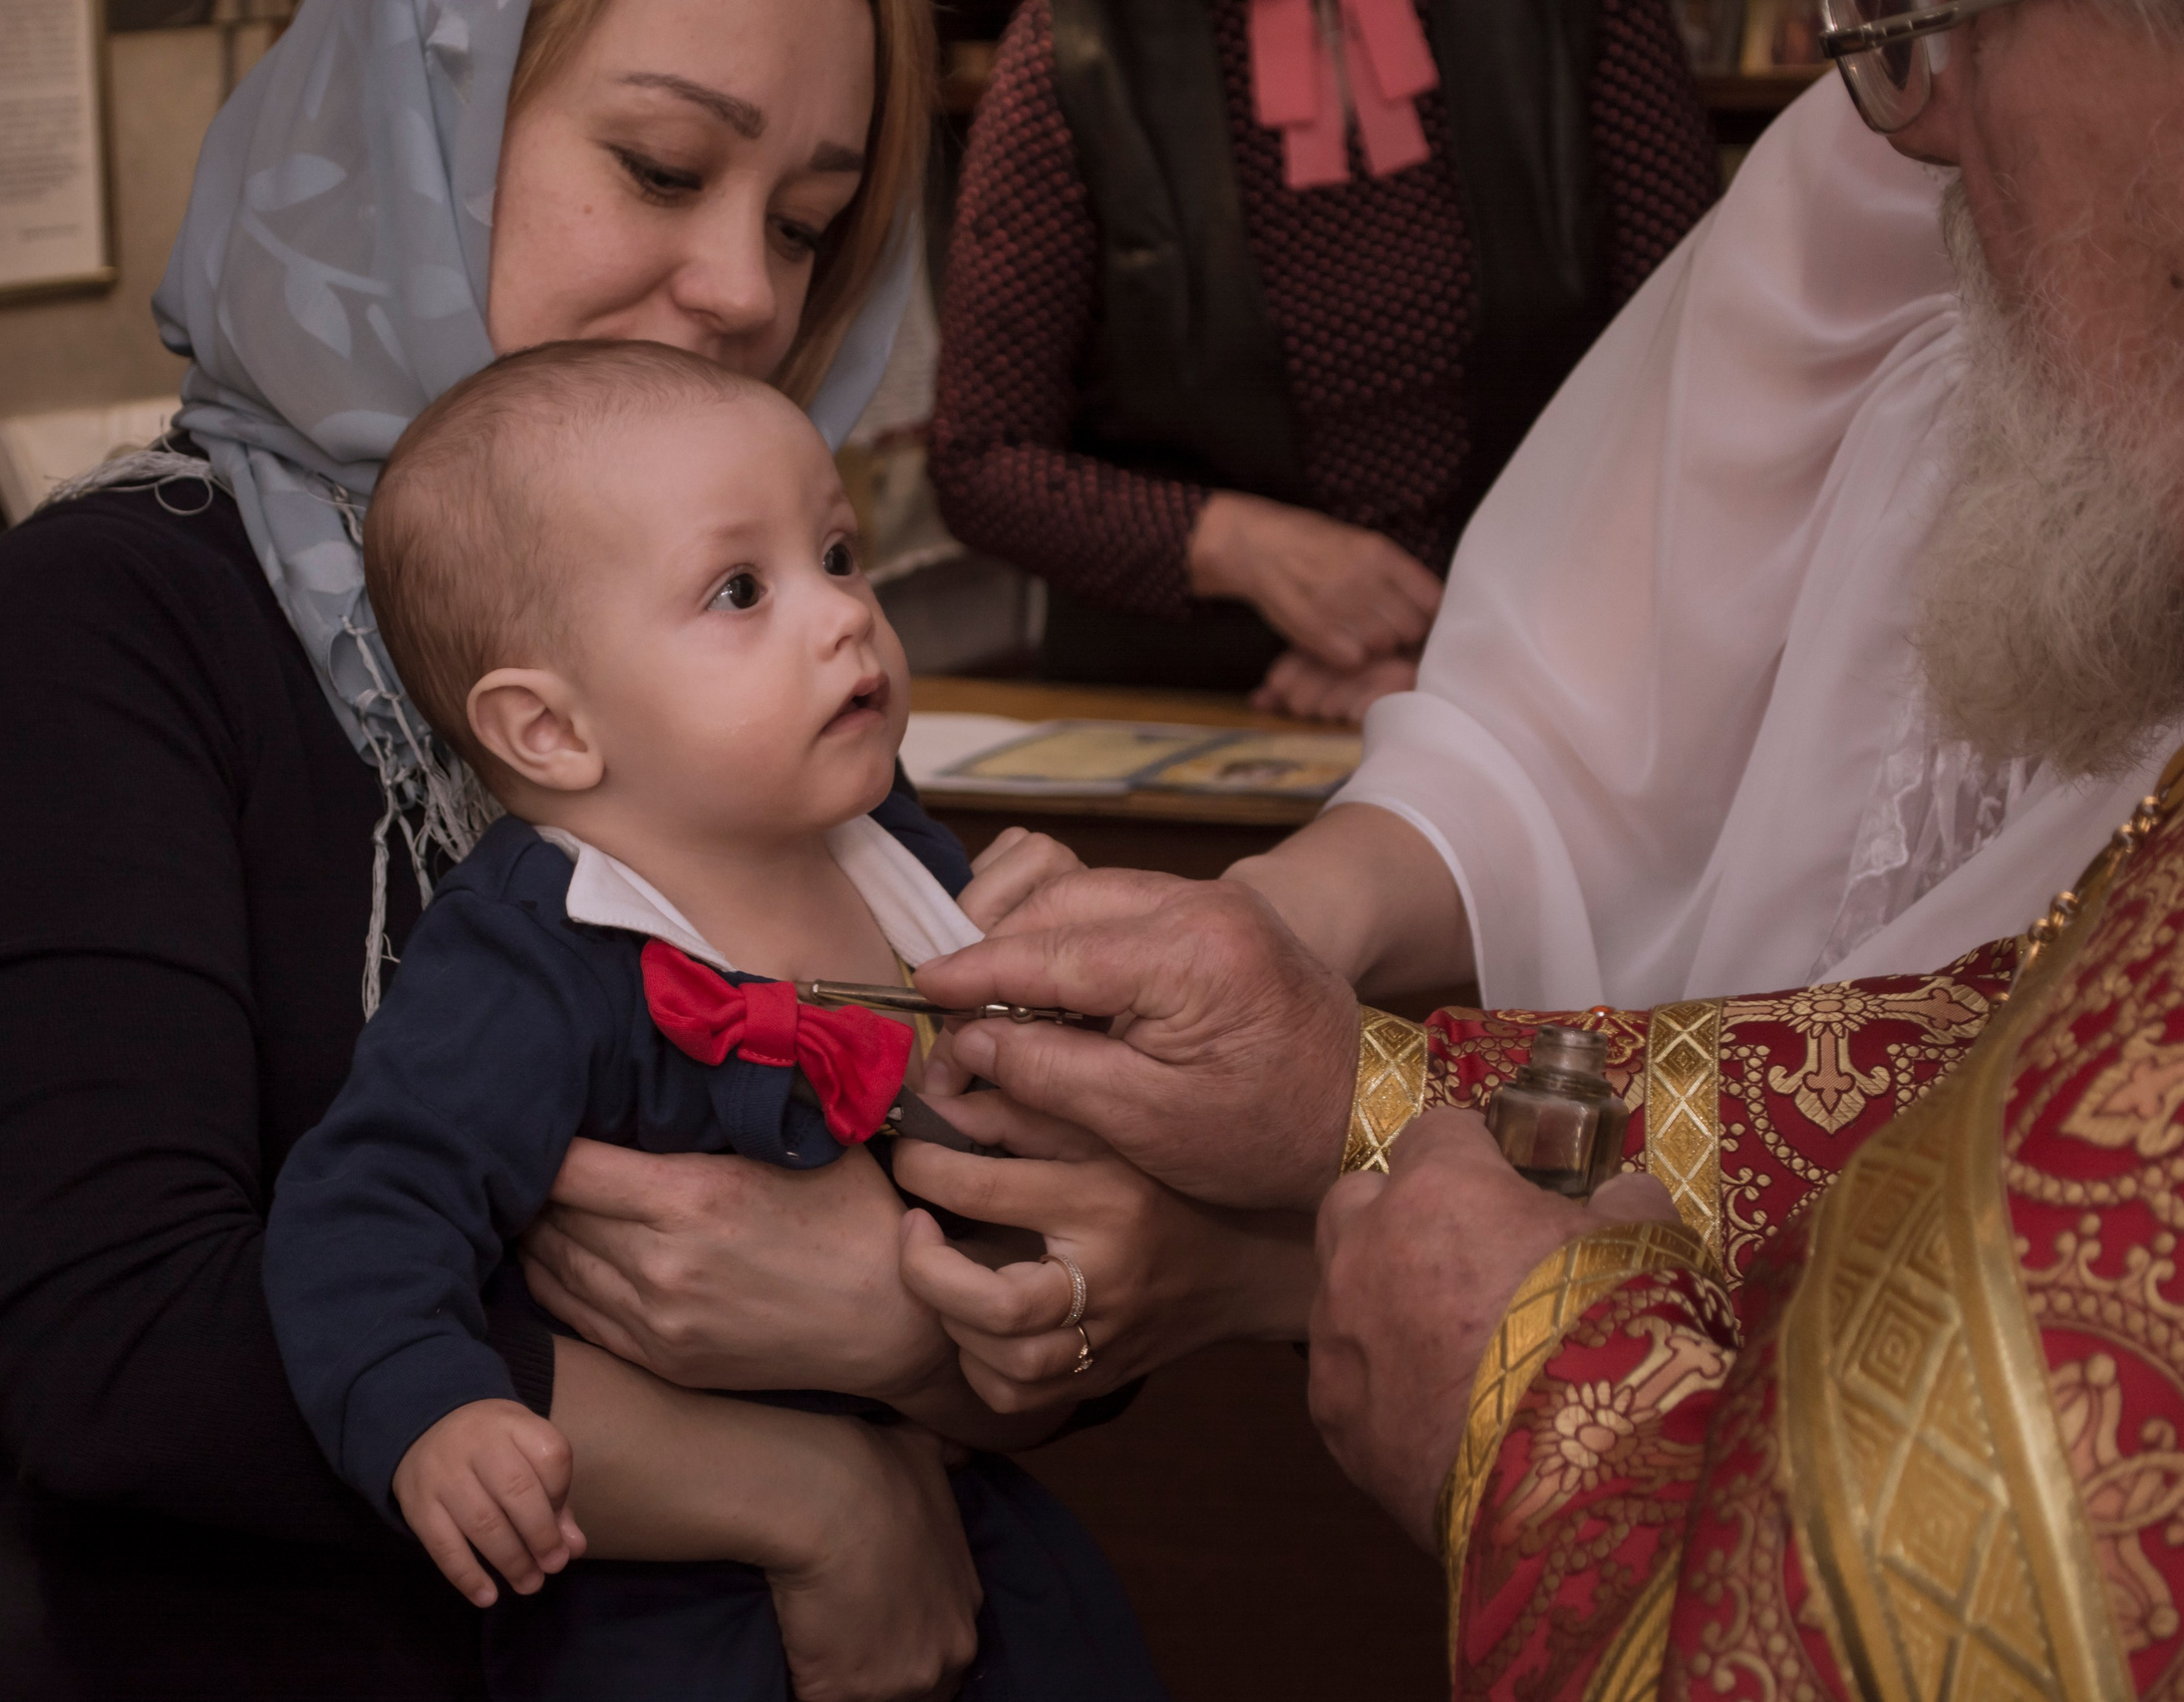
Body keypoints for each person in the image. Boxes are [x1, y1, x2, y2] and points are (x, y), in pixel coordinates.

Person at [867, 0, 2184, 1687]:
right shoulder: (1088, 58)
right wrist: (1319, 1015)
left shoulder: (1583, 30)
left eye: (1934, 38)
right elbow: (1999, 1046)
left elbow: (1942, 1513)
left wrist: (1489, 1339)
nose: (1920, 132)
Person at [0, 0, 1066, 1695]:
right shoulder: (100, 624)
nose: (746, 287)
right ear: (412, 111)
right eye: (663, 167)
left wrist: (911, 1316)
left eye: (804, 224)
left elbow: (1051, 1259)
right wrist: (807, 1486)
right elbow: (118, 1335)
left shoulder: (775, 655)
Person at [261, 341, 1157, 1699]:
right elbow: (364, 1201)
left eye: (840, 554)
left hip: (959, 1502)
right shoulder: (542, 947)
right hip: (675, 1617)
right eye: (742, 588)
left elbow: (1054, 1154)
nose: (843, 616)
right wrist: (433, 1410)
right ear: (551, 729)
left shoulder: (889, 846)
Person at [1231, 66, 2176, 1013]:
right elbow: (1549, 753)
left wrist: (1371, 1092)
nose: (1916, 104)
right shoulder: (1852, 167)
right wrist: (1267, 918)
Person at [925, 0, 1719, 720]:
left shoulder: (1584, 17)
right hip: (1199, 704)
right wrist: (1247, 549)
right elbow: (982, 460)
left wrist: (1459, 651)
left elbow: (1702, 390)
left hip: (1540, 686)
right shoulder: (1076, 41)